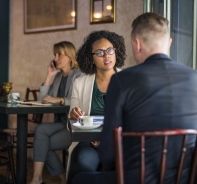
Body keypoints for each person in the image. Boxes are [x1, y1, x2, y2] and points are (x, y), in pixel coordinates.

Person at [71, 12, 197, 184]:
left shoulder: (123, 80)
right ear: (169, 43)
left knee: (79, 179)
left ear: (137, 44)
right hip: (185, 177)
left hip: (136, 178)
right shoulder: (194, 78)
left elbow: (108, 152)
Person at [67, 30, 126, 184]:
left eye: (110, 50)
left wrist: (107, 140)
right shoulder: (80, 83)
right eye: (99, 52)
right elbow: (72, 116)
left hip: (120, 142)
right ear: (91, 58)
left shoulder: (128, 80)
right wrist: (74, 113)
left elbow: (134, 119)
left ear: (116, 52)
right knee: (82, 164)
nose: (106, 55)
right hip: (88, 142)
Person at [29, 41, 83, 184]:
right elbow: (43, 101)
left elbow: (80, 101)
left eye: (60, 55)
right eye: (55, 55)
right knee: (40, 130)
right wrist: (49, 75)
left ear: (70, 56)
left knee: (42, 143)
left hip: (73, 126)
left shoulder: (79, 75)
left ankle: (41, 179)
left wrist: (59, 100)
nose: (55, 58)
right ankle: (39, 178)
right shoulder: (58, 77)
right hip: (60, 123)